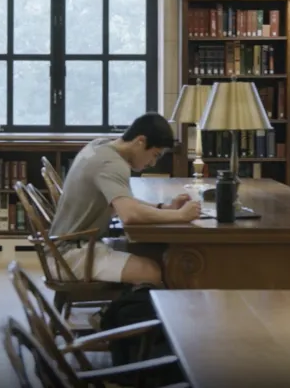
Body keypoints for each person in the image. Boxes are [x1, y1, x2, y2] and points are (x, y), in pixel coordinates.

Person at [47, 112, 201, 287]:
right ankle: (120, 314)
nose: (152, 163)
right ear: (140, 141)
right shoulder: (113, 164)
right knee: (152, 271)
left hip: (67, 246)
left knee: (159, 254)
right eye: (155, 154)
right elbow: (130, 215)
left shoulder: (100, 146)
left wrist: (164, 207)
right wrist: (181, 216)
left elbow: (125, 201)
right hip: (70, 256)